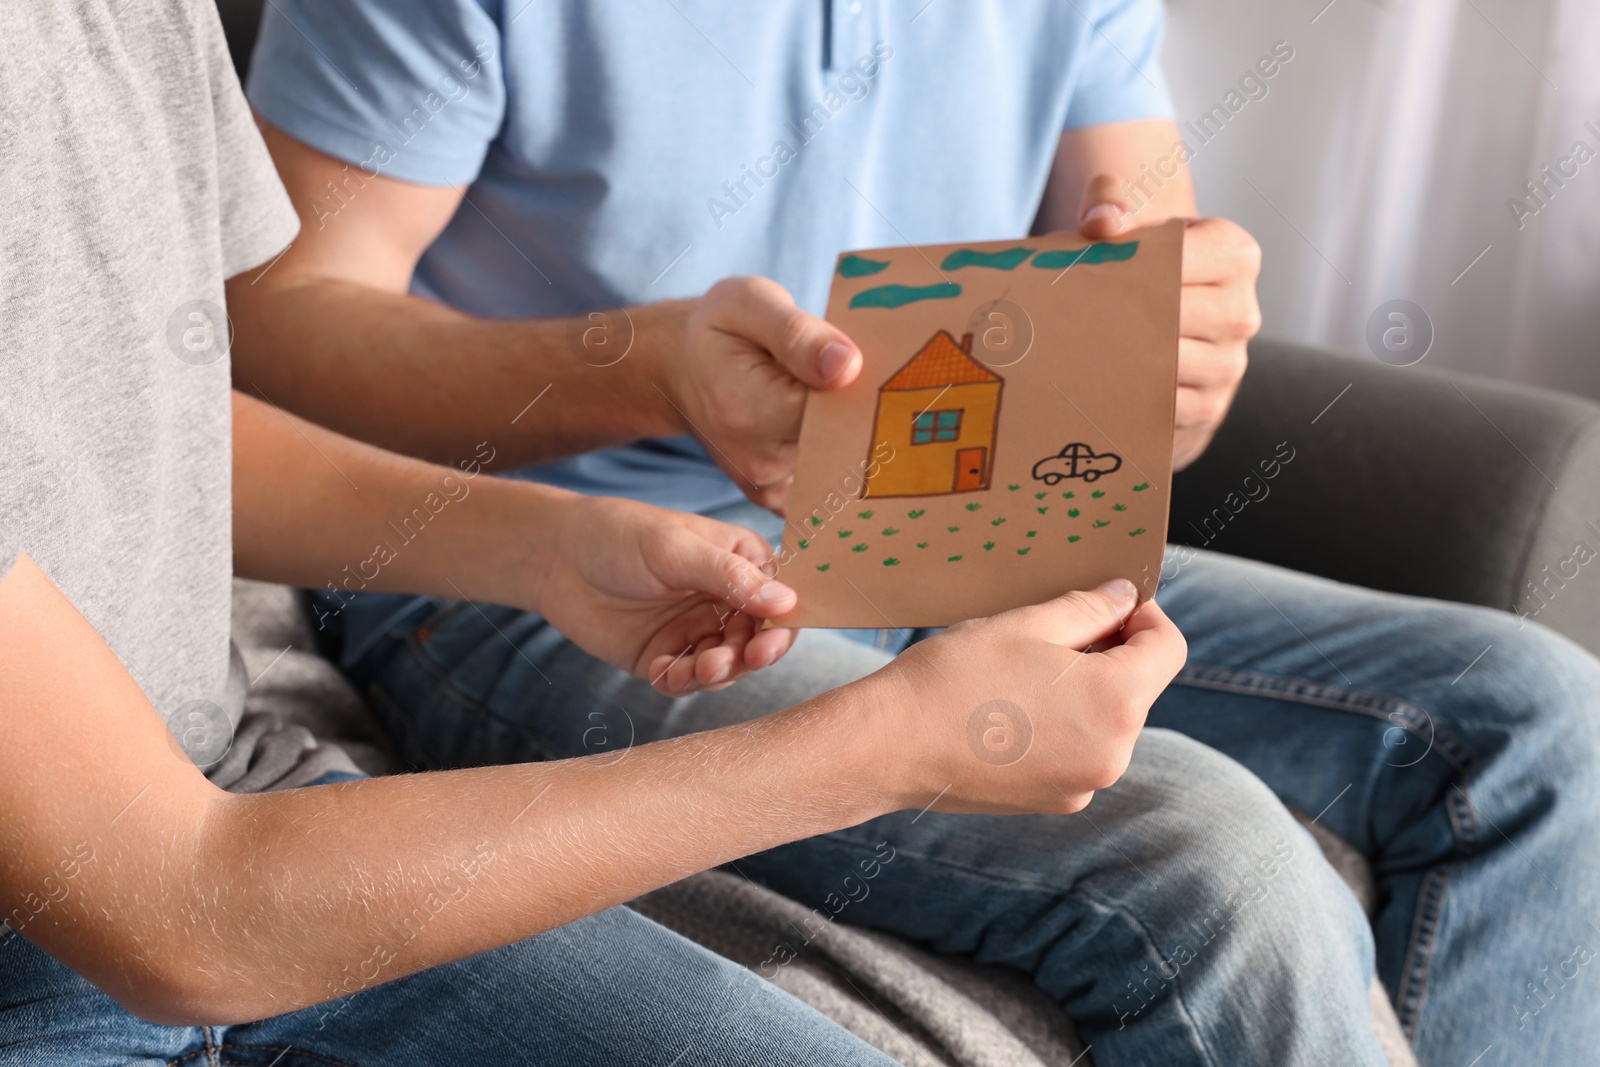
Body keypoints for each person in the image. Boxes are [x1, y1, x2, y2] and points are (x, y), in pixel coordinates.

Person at [0, 2, 1403, 1066]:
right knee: (1212, 854)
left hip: (241, 772)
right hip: (106, 924)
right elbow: (174, 914)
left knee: (1534, 719)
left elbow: (158, 415)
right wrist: (893, 742)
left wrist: (538, 544)